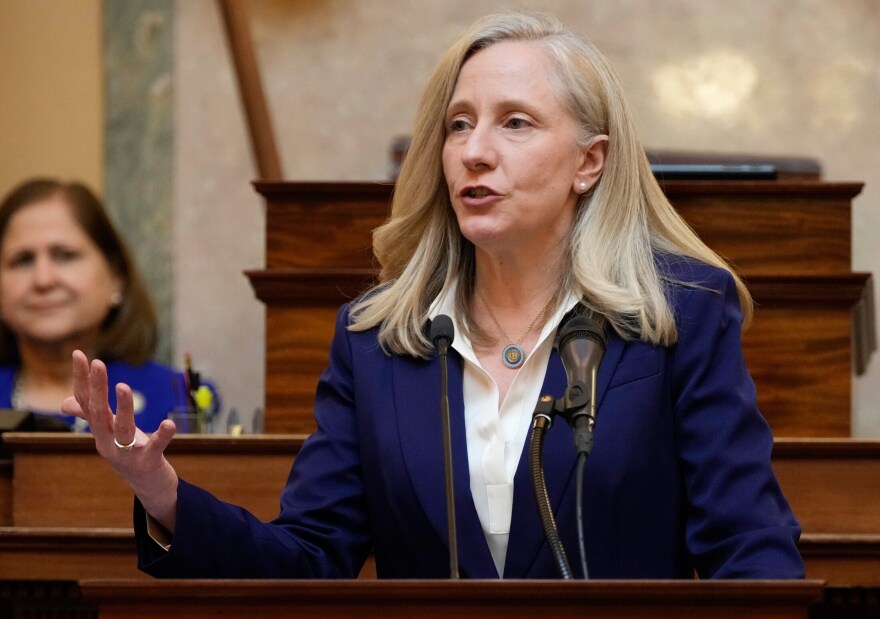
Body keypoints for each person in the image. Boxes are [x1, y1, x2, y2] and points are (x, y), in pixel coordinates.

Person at [63, 12, 804, 580]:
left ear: (590, 162)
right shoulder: (377, 339)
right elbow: (310, 560)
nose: (474, 150)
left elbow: (752, 553)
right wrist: (164, 495)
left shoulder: (680, 318)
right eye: (459, 125)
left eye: (515, 122)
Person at [0, 178, 209, 433]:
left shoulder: (181, 401)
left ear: (116, 278)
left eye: (64, 255)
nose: (43, 280)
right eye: (22, 261)